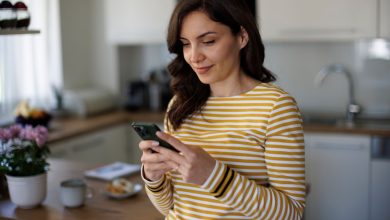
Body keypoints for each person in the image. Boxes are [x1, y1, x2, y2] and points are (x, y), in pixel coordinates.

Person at [138, 0, 306, 219]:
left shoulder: (275, 107)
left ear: (242, 37)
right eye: (186, 44)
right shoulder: (180, 105)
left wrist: (214, 176)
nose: (194, 56)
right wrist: (153, 178)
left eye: (208, 41)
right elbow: (171, 207)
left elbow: (291, 212)